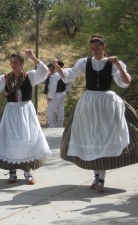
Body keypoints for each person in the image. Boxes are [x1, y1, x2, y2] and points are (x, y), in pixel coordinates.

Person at [57, 34, 138, 192]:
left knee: (104, 137)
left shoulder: (113, 63)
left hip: (107, 104)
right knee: (92, 138)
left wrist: (118, 65)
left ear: (104, 47)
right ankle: (97, 177)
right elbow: (68, 77)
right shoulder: (84, 62)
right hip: (89, 104)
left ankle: (100, 178)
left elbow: (125, 82)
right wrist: (57, 67)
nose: (94, 51)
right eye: (92, 48)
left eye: (97, 48)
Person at [0, 49, 52, 185]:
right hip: (11, 111)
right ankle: (12, 173)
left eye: (15, 62)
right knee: (11, 141)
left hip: (25, 111)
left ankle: (27, 173)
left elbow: (44, 71)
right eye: (11, 62)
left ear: (21, 63)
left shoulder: (29, 76)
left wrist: (33, 57)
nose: (13, 65)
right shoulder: (5, 78)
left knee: (26, 140)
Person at [44, 61, 72, 128]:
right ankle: (60, 125)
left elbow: (53, 87)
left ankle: (52, 126)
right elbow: (70, 82)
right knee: (60, 109)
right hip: (62, 93)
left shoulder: (56, 75)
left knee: (51, 109)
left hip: (55, 94)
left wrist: (50, 96)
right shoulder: (65, 73)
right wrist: (65, 91)